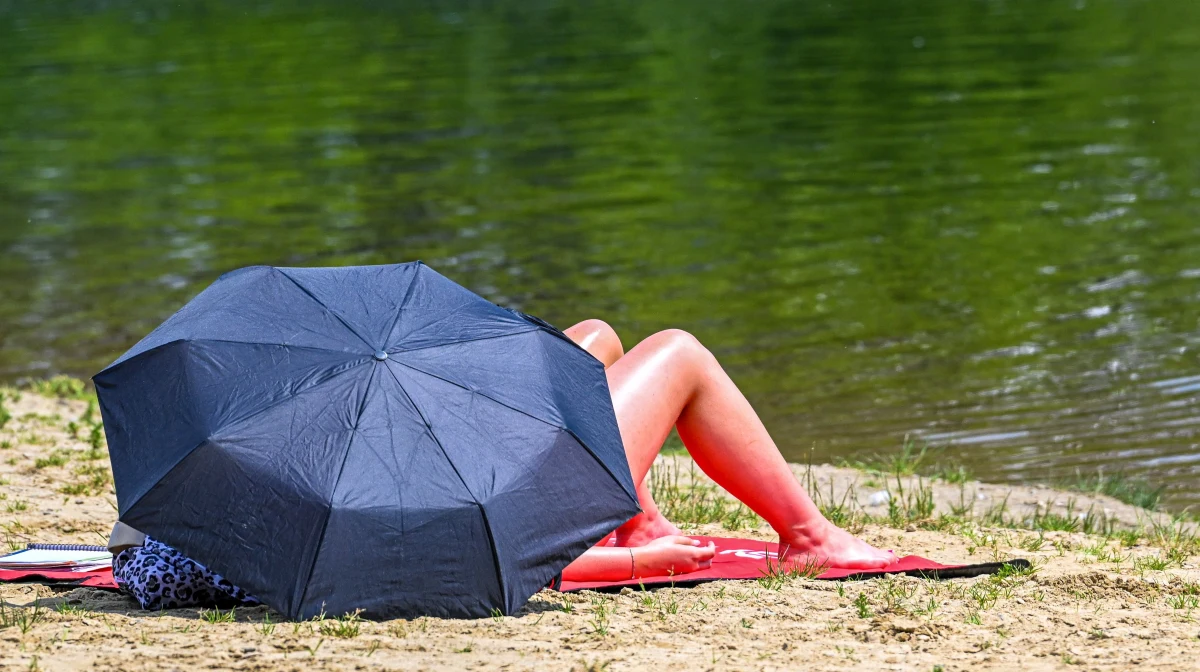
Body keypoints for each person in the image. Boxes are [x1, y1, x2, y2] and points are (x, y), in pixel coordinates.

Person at [108, 321, 892, 609]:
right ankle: (808, 537)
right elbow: (457, 561)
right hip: (479, 490)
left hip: (408, 468)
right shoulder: (301, 531)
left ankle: (634, 513)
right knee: (676, 354)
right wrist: (633, 568)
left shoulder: (186, 516)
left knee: (592, 339)